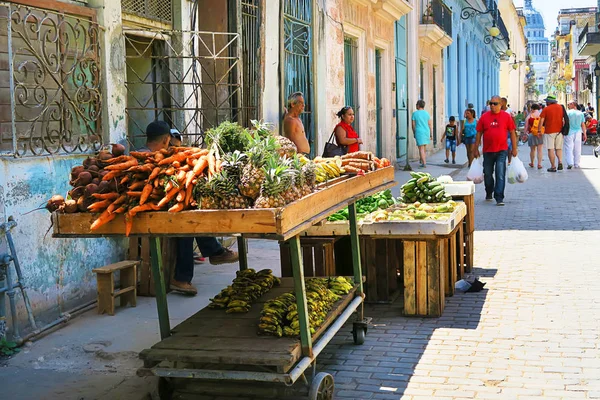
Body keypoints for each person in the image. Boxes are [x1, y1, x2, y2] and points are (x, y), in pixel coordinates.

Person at [141, 121, 239, 296]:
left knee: (189, 212)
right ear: (165, 140)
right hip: (150, 210)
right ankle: (184, 276)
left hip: (162, 206)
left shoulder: (144, 153)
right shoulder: (149, 157)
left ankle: (211, 254)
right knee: (185, 223)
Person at [474, 96, 518, 206]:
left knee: (500, 173)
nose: (492, 106)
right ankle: (489, 192)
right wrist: (475, 149)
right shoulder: (484, 117)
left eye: (495, 103)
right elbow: (479, 133)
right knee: (488, 174)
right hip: (488, 151)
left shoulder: (506, 117)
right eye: (491, 103)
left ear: (500, 104)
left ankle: (499, 197)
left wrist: (514, 148)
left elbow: (512, 132)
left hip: (502, 150)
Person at [539, 95, 565, 172]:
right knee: (558, 148)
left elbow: (541, 121)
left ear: (549, 102)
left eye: (547, 101)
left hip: (549, 131)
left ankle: (553, 166)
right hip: (559, 132)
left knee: (550, 149)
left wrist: (539, 130)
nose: (546, 102)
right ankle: (560, 161)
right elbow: (564, 119)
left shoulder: (546, 109)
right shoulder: (561, 108)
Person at [565, 101, 587, 169]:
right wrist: (585, 134)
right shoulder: (580, 113)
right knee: (577, 148)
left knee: (568, 147)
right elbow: (583, 125)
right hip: (578, 132)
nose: (568, 106)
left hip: (569, 132)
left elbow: (564, 123)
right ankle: (576, 163)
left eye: (569, 104)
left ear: (572, 105)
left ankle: (570, 163)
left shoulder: (567, 113)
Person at [411, 100, 433, 168]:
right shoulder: (427, 113)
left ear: (418, 105)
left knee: (420, 148)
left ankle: (424, 163)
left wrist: (414, 132)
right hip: (426, 131)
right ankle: (422, 160)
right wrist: (431, 134)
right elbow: (430, 124)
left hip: (419, 132)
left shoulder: (415, 114)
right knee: (424, 147)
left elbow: (413, 125)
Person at [525, 103, 544, 170]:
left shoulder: (530, 116)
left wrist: (525, 133)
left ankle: (532, 162)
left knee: (532, 150)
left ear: (532, 109)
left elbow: (526, 126)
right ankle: (539, 164)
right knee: (540, 150)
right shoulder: (541, 115)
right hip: (540, 133)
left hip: (531, 133)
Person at [501, 97, 514, 164]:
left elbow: (513, 120)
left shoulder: (509, 110)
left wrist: (514, 129)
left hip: (508, 131)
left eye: (502, 101)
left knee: (509, 147)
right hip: (501, 131)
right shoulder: (498, 111)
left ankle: (509, 161)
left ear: (505, 103)